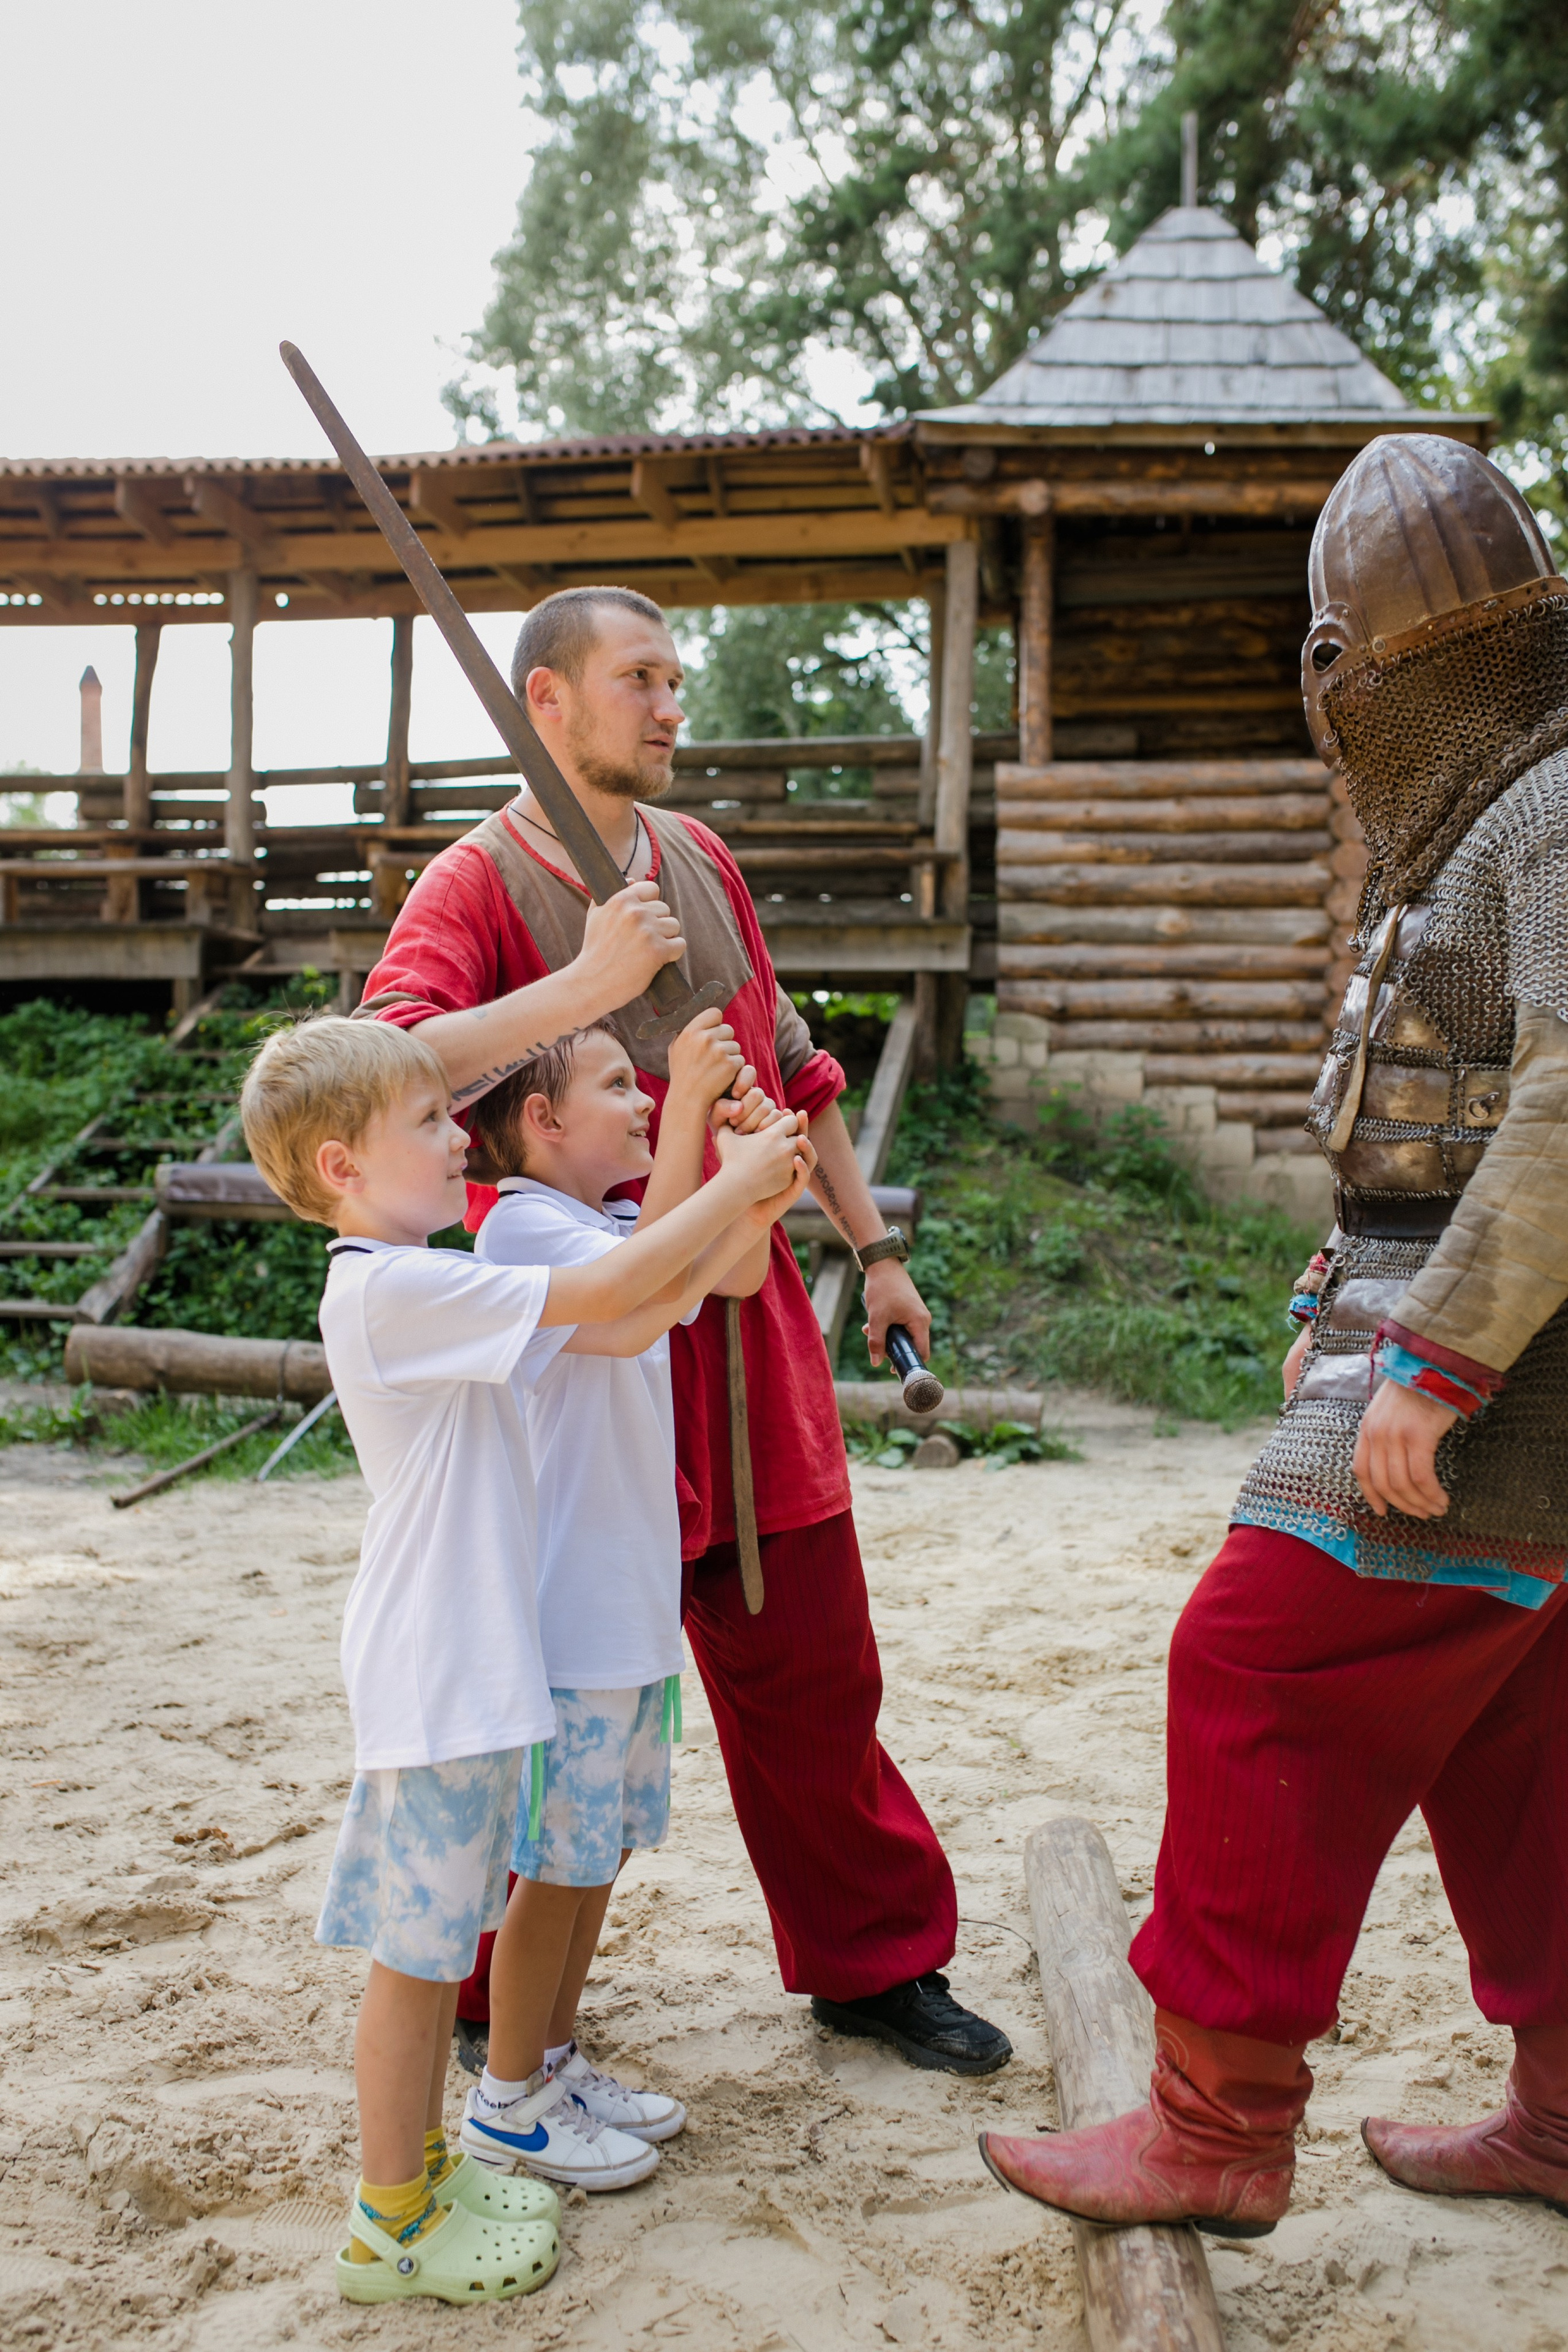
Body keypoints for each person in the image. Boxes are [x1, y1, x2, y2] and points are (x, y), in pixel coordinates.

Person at [979, 434, 1568, 2236]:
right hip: (1469, 1356)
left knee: (1258, 1669)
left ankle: (1217, 2127)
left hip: (1506, 1385)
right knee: (1519, 1735)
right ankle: (1565, 2115)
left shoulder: (1552, 806)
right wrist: (1355, 1317)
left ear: (1363, 663)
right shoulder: (1503, 806)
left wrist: (1441, 1359)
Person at [357, 584, 1011, 2076]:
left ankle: (869, 1966)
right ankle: (480, 2001)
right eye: (637, 678)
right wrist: (584, 987)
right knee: (539, 1688)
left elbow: (790, 1069)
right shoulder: (470, 886)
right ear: (546, 702)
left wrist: (874, 1251)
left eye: (675, 679)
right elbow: (375, 1067)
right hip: (576, 1340)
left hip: (750, 1326)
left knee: (816, 1671)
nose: (669, 706)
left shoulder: (700, 861)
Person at [239, 1013, 812, 2302]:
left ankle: (427, 2172)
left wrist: (742, 1199)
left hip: (476, 1665)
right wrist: (721, 1179)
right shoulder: (389, 1287)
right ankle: (392, 2218)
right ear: (341, 1166)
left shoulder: (427, 1279)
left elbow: (625, 1322)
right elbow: (614, 1294)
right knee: (421, 1959)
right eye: (432, 1124)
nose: (460, 1143)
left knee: (442, 1941)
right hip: (436, 1673)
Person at [456, 1009, 799, 2188]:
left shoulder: (606, 1218)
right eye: (620, 1083)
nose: (646, 1099)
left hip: (628, 1597)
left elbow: (731, 1271)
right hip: (568, 1610)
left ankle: (550, 2061)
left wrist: (757, 1179)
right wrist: (707, 1123)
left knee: (593, 1851)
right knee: (553, 1864)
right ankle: (506, 2099)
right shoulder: (518, 1232)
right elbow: (632, 1295)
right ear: (540, 1122)